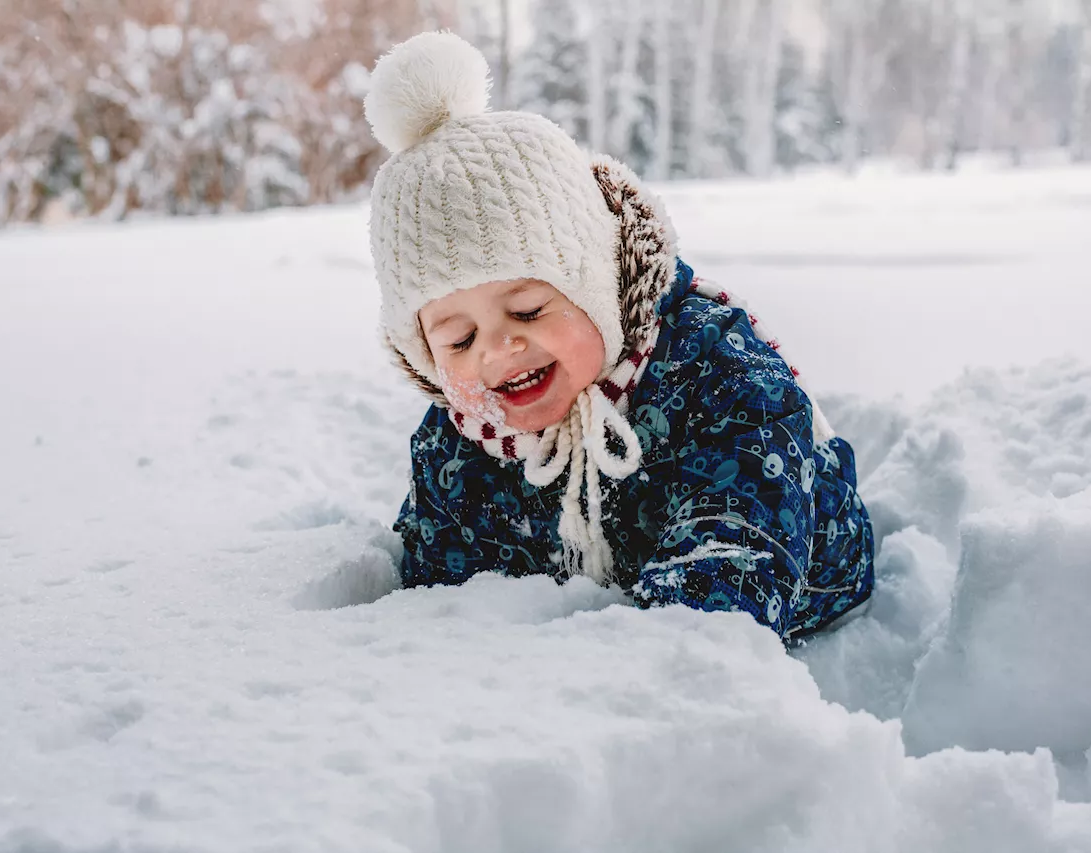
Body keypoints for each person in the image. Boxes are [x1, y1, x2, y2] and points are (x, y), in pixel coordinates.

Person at [365, 32, 874, 640]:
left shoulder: (719, 377)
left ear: (599, 288)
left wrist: (634, 661)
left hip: (803, 584)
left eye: (528, 310)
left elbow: (734, 568)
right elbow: (440, 590)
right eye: (457, 339)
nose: (496, 349)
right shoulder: (460, 445)